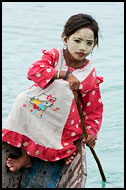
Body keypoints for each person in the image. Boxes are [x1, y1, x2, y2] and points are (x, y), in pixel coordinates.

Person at [2, 13, 103, 173]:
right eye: (77, 40)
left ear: (94, 45)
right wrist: (64, 74)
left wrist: (91, 132)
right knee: (22, 99)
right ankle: (26, 156)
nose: (82, 47)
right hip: (42, 109)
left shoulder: (89, 73)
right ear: (65, 39)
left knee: (65, 90)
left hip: (66, 123)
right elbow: (33, 71)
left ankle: (63, 151)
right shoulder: (55, 56)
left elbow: (94, 108)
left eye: (89, 43)